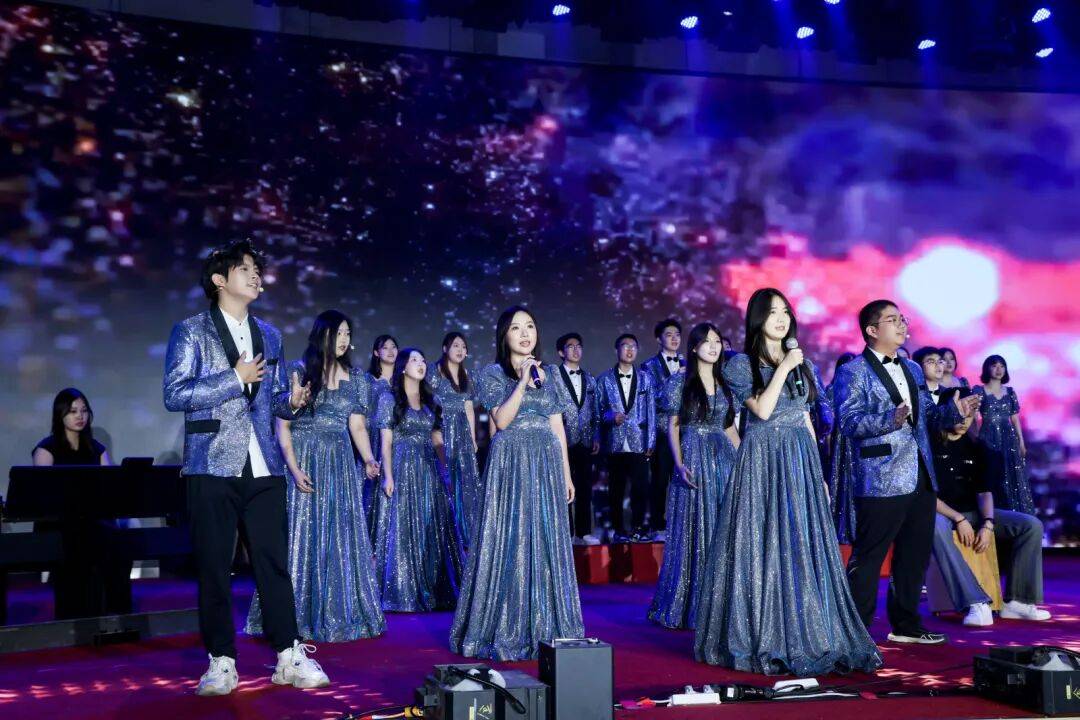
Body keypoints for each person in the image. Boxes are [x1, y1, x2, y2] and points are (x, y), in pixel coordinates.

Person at [163, 241, 328, 696]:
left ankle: (288, 654)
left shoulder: (269, 334)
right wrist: (233, 378)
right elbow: (175, 394)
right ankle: (221, 661)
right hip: (211, 462)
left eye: (258, 269)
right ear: (219, 280)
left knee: (273, 563)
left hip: (264, 463)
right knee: (215, 566)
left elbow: (271, 400)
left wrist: (292, 402)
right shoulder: (191, 331)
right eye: (246, 269)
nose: (256, 276)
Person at [695, 289, 881, 675]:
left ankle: (809, 629)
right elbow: (762, 410)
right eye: (772, 312)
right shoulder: (741, 364)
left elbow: (805, 418)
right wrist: (783, 367)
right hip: (762, 459)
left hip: (800, 458)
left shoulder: (803, 363)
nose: (781, 319)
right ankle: (764, 633)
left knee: (801, 542)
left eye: (785, 312)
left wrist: (819, 474)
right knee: (761, 542)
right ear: (757, 319)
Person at [835, 299, 980, 645]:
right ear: (872, 330)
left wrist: (955, 411)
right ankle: (855, 633)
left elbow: (927, 416)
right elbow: (848, 422)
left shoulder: (913, 369)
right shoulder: (852, 372)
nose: (902, 325)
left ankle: (906, 625)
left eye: (903, 319)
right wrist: (889, 419)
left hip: (920, 473)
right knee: (869, 556)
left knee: (914, 555)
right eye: (893, 320)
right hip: (880, 475)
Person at [449, 306, 583, 660]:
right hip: (510, 462)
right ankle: (505, 622)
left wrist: (566, 474)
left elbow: (557, 427)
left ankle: (548, 623)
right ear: (503, 336)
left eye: (530, 326)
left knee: (546, 536)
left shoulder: (551, 374)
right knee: (510, 537)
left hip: (546, 462)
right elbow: (503, 421)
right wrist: (523, 381)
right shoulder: (492, 374)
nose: (525, 334)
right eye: (516, 328)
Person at [244, 310, 384, 642]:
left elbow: (357, 425)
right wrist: (294, 469)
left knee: (339, 534)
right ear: (322, 335)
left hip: (339, 465)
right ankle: (292, 614)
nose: (344, 340)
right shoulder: (298, 371)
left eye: (348, 333)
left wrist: (368, 458)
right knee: (300, 536)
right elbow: (283, 427)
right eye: (338, 333)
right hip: (304, 460)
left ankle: (337, 611)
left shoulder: (357, 379)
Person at [647, 323, 738, 630]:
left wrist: (743, 460)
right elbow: (673, 426)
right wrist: (679, 463)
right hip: (693, 457)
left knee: (722, 526)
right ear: (695, 347)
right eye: (707, 341)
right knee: (693, 529)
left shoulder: (726, 383)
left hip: (723, 459)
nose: (713, 346)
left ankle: (720, 604)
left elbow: (729, 427)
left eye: (717, 341)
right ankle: (690, 604)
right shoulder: (679, 383)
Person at [933, 387, 1051, 623]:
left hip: (973, 513)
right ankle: (975, 602)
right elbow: (927, 496)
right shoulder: (929, 446)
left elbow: (984, 491)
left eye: (970, 414)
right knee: (934, 524)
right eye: (960, 412)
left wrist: (988, 523)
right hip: (943, 513)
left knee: (1031, 525)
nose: (964, 420)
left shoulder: (978, 447)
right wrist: (958, 518)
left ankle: (1018, 601)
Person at [373, 348, 462, 611]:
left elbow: (437, 440)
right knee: (404, 526)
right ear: (403, 367)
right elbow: (386, 442)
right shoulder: (389, 399)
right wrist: (388, 476)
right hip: (402, 468)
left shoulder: (431, 401)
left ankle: (434, 588)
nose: (421, 364)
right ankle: (404, 590)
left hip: (429, 470)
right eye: (414, 360)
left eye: (423, 360)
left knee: (432, 525)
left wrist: (446, 471)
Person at [32, 388, 130, 619]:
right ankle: (74, 617)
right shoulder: (46, 449)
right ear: (60, 415)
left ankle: (116, 615)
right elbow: (43, 495)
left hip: (91, 522)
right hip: (59, 524)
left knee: (118, 542)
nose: (80, 416)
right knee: (81, 539)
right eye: (73, 411)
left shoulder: (97, 449)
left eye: (84, 410)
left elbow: (110, 489)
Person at [595, 334, 657, 542]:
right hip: (615, 442)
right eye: (625, 346)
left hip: (639, 441)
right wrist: (610, 416)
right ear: (617, 350)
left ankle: (639, 528)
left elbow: (651, 411)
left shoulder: (646, 378)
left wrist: (651, 440)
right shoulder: (604, 379)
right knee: (616, 489)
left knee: (641, 488)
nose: (630, 350)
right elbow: (598, 412)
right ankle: (619, 529)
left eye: (633, 346)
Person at [426, 332, 481, 549]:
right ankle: (445, 534)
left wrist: (473, 437)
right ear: (445, 348)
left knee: (465, 483)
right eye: (456, 345)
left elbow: (468, 408)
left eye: (463, 347)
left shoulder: (467, 375)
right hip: (442, 430)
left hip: (462, 434)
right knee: (444, 479)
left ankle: (467, 534)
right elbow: (427, 401)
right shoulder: (434, 372)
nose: (460, 350)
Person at [549, 332, 600, 544]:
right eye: (570, 346)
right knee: (563, 486)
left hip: (585, 440)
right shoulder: (552, 377)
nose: (576, 350)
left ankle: (583, 531)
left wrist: (596, 435)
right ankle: (566, 533)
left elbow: (595, 410)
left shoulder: (589, 378)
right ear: (561, 352)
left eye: (579, 346)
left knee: (585, 486)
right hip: (561, 439)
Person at [973, 355, 1034, 514]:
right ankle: (992, 513)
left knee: (1011, 474)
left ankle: (1015, 514)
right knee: (991, 474)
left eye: (1002, 366)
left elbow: (1014, 418)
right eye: (994, 366)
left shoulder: (1010, 392)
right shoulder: (979, 391)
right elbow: (974, 418)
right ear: (987, 368)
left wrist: (1021, 442)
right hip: (987, 437)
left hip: (1009, 439)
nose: (998, 369)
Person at [640, 319, 684, 540]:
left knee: (684, 477)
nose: (674, 338)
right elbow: (650, 400)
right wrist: (675, 379)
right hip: (661, 431)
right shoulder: (648, 367)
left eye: (677, 334)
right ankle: (658, 525)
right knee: (660, 479)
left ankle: (682, 524)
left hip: (687, 430)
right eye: (669, 334)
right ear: (658, 339)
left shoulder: (689, 363)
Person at [363, 334, 399, 535]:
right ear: (376, 353)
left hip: (398, 439)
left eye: (394, 347)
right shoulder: (368, 381)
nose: (391, 351)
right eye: (385, 348)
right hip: (374, 439)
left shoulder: (402, 381)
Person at [825, 352, 858, 545]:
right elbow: (827, 423)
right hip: (842, 443)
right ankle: (844, 527)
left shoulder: (864, 388)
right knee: (843, 481)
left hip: (860, 441)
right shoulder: (832, 390)